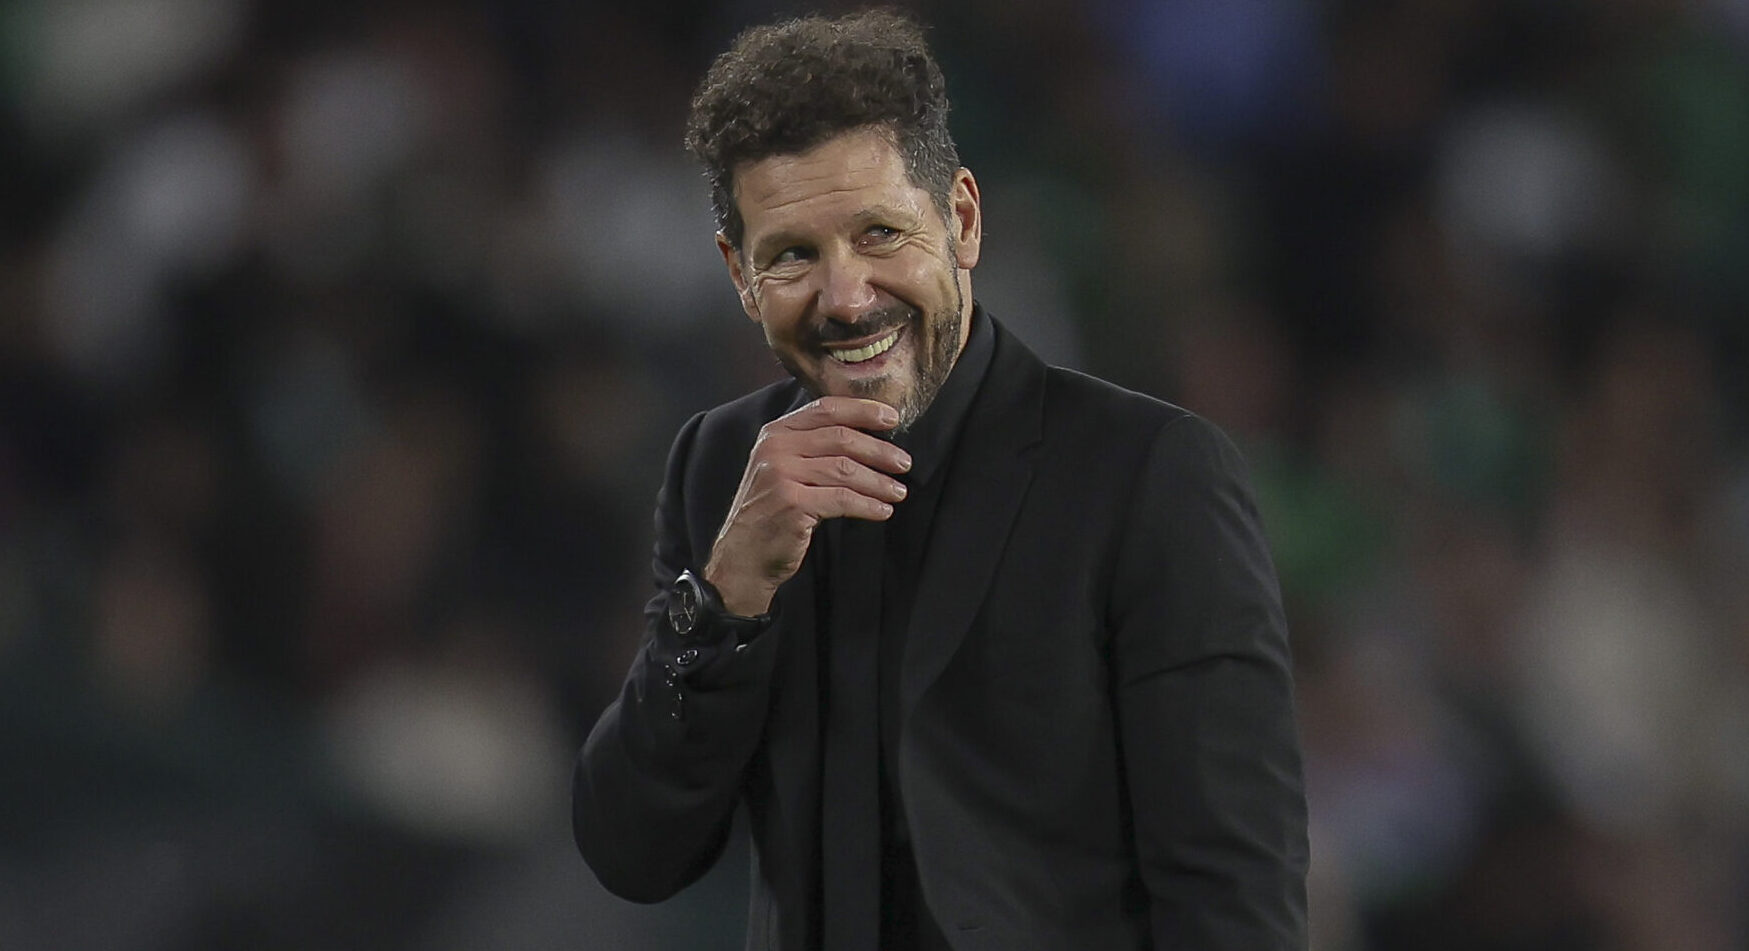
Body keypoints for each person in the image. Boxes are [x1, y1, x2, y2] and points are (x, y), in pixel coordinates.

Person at [573, 11, 1308, 950]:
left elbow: (1233, 892)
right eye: (792, 254)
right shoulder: (722, 469)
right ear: (739, 275)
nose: (846, 297)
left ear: (960, 219)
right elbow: (632, 849)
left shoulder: (1150, 474)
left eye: (879, 233)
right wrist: (721, 601)